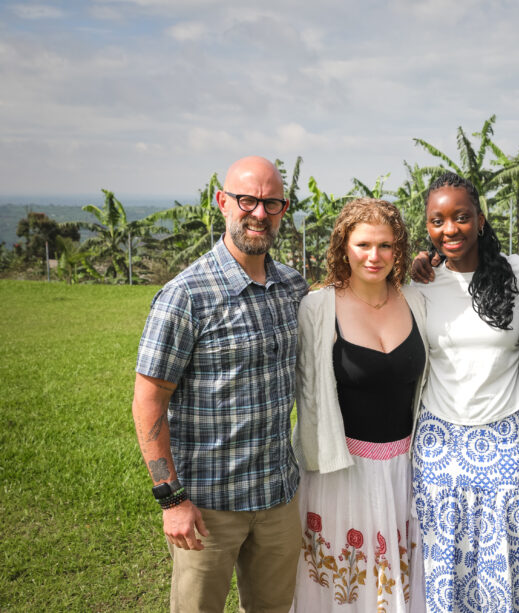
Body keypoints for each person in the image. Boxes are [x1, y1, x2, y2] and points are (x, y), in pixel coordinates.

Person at [132, 155, 308, 612]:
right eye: (247, 200)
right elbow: (148, 402)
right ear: (222, 202)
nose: (259, 213)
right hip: (208, 508)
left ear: (283, 210)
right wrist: (171, 499)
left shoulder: (293, 288)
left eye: (271, 203)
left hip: (278, 498)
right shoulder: (185, 295)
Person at [290, 198, 428, 613]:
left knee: (399, 581)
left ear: (399, 249)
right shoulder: (317, 308)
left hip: (404, 469)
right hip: (340, 472)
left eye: (385, 245)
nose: (374, 256)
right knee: (343, 588)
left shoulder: (418, 301)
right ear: (343, 247)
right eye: (363, 244)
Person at [411, 172, 519, 612]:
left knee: (504, 556)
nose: (450, 229)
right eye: (437, 220)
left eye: (461, 217)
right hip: (438, 440)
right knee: (441, 557)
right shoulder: (418, 285)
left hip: (503, 436)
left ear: (480, 220)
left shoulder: (518, 273)